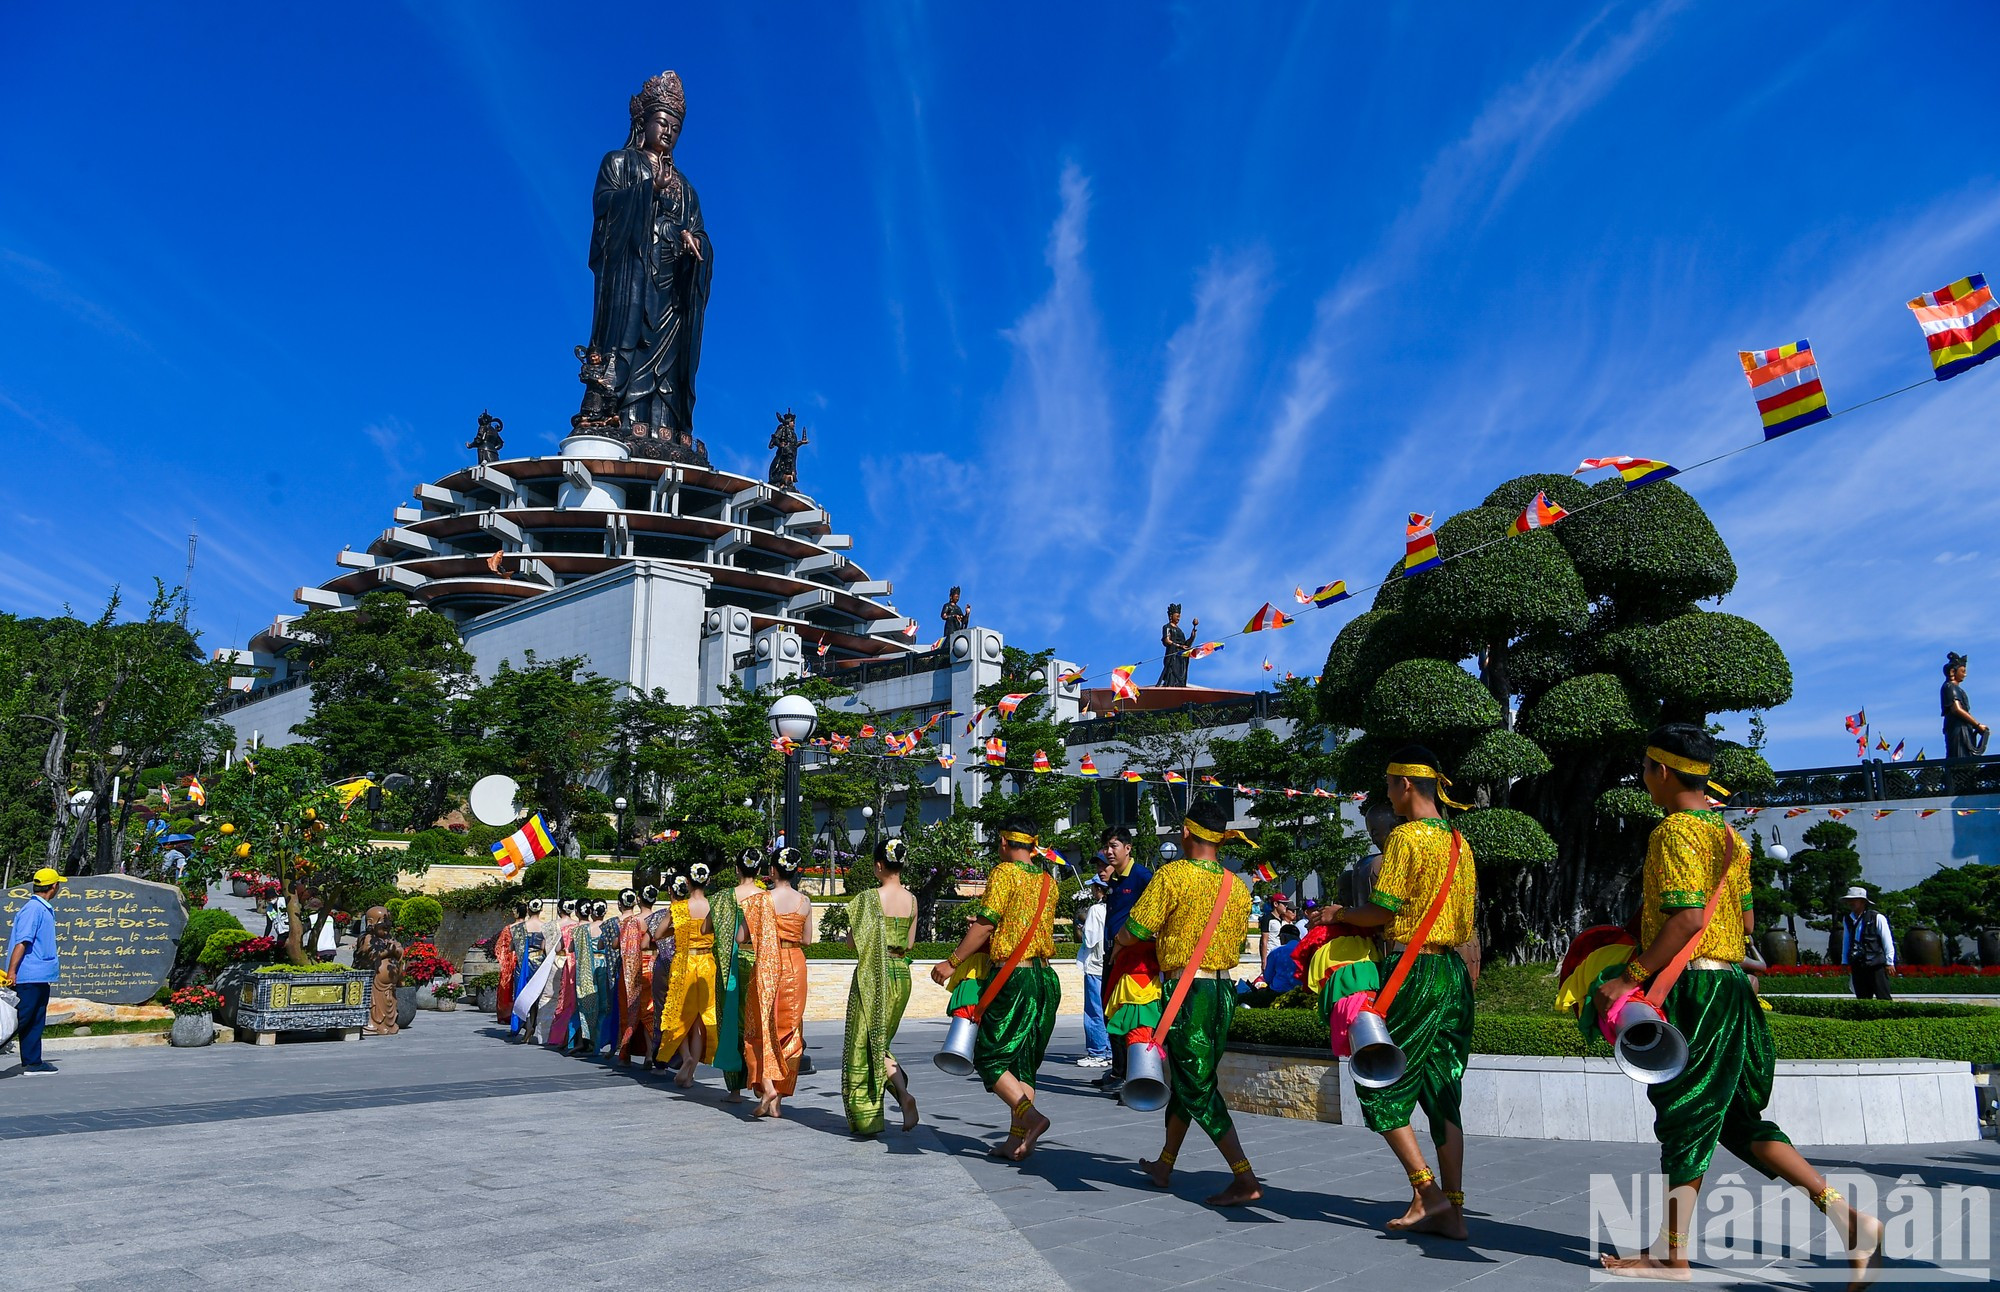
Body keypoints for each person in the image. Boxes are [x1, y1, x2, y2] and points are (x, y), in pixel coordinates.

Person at [1591, 724, 1880, 1284]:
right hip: (1731, 988)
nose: (1644, 779)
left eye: (1646, 769)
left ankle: (1671, 1257)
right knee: (1736, 1121)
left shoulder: (1674, 831)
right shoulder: (1730, 837)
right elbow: (1745, 922)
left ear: (1663, 771)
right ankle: (1850, 1220)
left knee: (1686, 1116)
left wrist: (1629, 977)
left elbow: (1687, 919)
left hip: (1695, 989)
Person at [1310, 746, 1477, 1240]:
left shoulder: (1405, 837)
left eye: (1388, 784)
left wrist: (1339, 914)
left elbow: (1381, 911)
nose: (1387, 793)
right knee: (1443, 1091)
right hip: (1452, 973)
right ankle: (1454, 1210)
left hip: (1412, 970)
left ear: (1405, 784)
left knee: (1377, 1081)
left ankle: (1427, 1192)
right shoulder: (1459, 841)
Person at [1115, 798, 1261, 1206]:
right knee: (1188, 1079)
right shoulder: (1237, 885)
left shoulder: (1173, 875)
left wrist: (1119, 943)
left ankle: (1244, 1177)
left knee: (1196, 1085)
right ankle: (1165, 1164)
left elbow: (1137, 928)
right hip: (1223, 991)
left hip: (1187, 992)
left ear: (1185, 832)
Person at [931, 816, 1062, 1161]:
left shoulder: (1004, 873)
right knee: (1023, 1063)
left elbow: (987, 924)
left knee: (988, 1057)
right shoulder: (1049, 881)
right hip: (1045, 978)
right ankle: (1016, 1141)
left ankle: (1031, 1118)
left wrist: (952, 961)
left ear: (1004, 842)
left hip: (1014, 978)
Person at [842, 837, 921, 1136]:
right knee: (881, 1042)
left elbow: (853, 943)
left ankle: (888, 1104)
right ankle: (902, 1095)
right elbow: (909, 944)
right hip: (901, 974)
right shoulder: (913, 900)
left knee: (866, 1044)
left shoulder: (868, 899)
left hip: (874, 976)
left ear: (878, 865)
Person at [741, 847, 811, 1118]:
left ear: (772, 870)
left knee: (762, 1025)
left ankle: (767, 1085)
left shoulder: (761, 900)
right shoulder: (804, 902)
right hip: (795, 964)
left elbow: (740, 937)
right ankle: (777, 1099)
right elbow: (807, 939)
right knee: (790, 1029)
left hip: (767, 965)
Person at [1098, 826, 1153, 1096]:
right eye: (1106, 847)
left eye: (1114, 846)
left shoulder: (1142, 876)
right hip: (1113, 953)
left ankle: (1133, 1074)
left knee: (1130, 1014)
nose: (1109, 851)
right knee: (1110, 1010)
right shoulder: (1115, 879)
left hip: (1134, 958)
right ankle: (1118, 1070)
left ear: (1128, 848)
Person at [660, 862, 718, 1089]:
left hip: (683, 964)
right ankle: (690, 1074)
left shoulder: (679, 908)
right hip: (706, 965)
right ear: (708, 881)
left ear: (687, 882)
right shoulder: (713, 906)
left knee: (678, 1014)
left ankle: (686, 1057)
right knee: (700, 1021)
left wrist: (677, 928)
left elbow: (658, 933)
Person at [710, 849, 761, 1101]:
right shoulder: (766, 898)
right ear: (759, 870)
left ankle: (735, 1089)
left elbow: (706, 927)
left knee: (730, 1021)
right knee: (757, 1021)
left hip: (730, 965)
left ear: (737, 869)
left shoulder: (722, 898)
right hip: (759, 964)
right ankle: (760, 1081)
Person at [3, 868, 64, 1073]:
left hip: (39, 975)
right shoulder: (33, 909)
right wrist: (12, 972)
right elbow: (22, 941)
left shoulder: (42, 908)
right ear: (54, 886)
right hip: (27, 976)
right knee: (17, 1020)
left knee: (34, 1020)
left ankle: (33, 1062)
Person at [1833, 885, 1896, 1001]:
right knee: (1862, 998)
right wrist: (1845, 961)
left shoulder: (1877, 917)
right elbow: (1846, 941)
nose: (1851, 903)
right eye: (1849, 900)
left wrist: (1889, 962)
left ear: (1862, 901)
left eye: (1854, 900)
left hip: (1875, 963)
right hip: (1858, 963)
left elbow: (1887, 940)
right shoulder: (1848, 919)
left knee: (1883, 996)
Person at [1075, 880, 1113, 1068]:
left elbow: (1089, 939)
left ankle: (1097, 1051)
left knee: (1094, 1010)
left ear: (1099, 890)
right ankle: (1110, 1051)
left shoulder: (1096, 910)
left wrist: (1081, 927)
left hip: (1095, 965)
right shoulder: (1114, 908)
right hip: (1109, 964)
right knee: (1108, 1009)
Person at [355, 906, 404, 1038]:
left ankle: (388, 1025)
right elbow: (369, 955)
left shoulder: (389, 938)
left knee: (389, 1003)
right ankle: (373, 1025)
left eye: (389, 922)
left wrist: (397, 951)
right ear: (371, 922)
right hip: (375, 984)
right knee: (375, 1005)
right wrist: (388, 952)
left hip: (389, 985)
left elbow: (400, 951)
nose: (387, 925)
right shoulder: (367, 938)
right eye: (383, 922)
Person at [616, 888, 650, 1062]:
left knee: (629, 1009)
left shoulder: (632, 921)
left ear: (639, 899)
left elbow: (622, 946)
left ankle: (626, 1051)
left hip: (635, 967)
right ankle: (650, 1054)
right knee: (652, 1010)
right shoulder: (660, 917)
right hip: (655, 966)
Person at [511, 899, 547, 1042]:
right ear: (541, 909)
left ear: (528, 910)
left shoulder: (518, 928)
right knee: (535, 995)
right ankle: (532, 1024)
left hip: (523, 963)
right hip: (539, 962)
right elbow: (545, 948)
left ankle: (526, 1024)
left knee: (521, 994)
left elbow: (512, 948)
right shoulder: (545, 927)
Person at [1943, 652, 1988, 759]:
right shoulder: (1949, 687)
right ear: (1952, 671)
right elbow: (1956, 709)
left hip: (1965, 727)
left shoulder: (1957, 689)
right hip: (1957, 728)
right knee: (1959, 755)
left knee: (1966, 755)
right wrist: (1977, 725)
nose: (1965, 674)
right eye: (1963, 671)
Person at [495, 899, 526, 1024]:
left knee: (507, 988)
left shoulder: (509, 928)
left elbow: (501, 947)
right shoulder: (529, 927)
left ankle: (506, 1014)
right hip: (526, 960)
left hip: (510, 961)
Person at [1156, 603, 1196, 687]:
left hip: (1181, 657)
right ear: (1171, 616)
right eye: (1177, 616)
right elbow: (1167, 640)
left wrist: (1192, 637)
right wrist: (1179, 646)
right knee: (1171, 674)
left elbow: (1186, 645)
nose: (1178, 618)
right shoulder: (1167, 627)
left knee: (1181, 674)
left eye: (1179, 616)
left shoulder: (1180, 631)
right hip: (1173, 655)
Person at [1261, 925, 1302, 995]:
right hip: (1302, 992)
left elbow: (1268, 977)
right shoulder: (1307, 951)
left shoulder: (1276, 952)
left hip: (1279, 992)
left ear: (1284, 937)